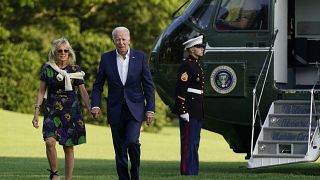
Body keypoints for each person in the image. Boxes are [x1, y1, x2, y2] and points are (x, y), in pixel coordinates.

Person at [91, 26, 155, 180]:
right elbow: (98, 85)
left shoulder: (140, 57)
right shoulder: (106, 58)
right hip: (115, 109)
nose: (121, 42)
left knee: (133, 141)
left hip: (135, 108)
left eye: (123, 39)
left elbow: (148, 85)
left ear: (129, 39)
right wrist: (95, 105)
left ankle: (135, 174)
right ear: (114, 41)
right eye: (117, 39)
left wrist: (150, 109)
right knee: (119, 148)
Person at [32, 37, 91, 180]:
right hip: (52, 110)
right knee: (49, 142)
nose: (63, 53)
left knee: (68, 147)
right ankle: (54, 173)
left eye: (66, 50)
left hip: (71, 111)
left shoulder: (75, 70)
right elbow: (41, 91)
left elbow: (83, 91)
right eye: (60, 50)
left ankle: (68, 179)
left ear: (69, 53)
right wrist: (36, 112)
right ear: (54, 52)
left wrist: (90, 107)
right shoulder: (48, 69)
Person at [174, 35, 205, 176]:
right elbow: (181, 90)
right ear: (192, 49)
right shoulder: (187, 65)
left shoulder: (196, 64)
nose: (202, 49)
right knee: (188, 143)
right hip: (189, 110)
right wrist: (183, 110)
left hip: (197, 109)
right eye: (199, 47)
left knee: (195, 142)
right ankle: (187, 171)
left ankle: (193, 171)